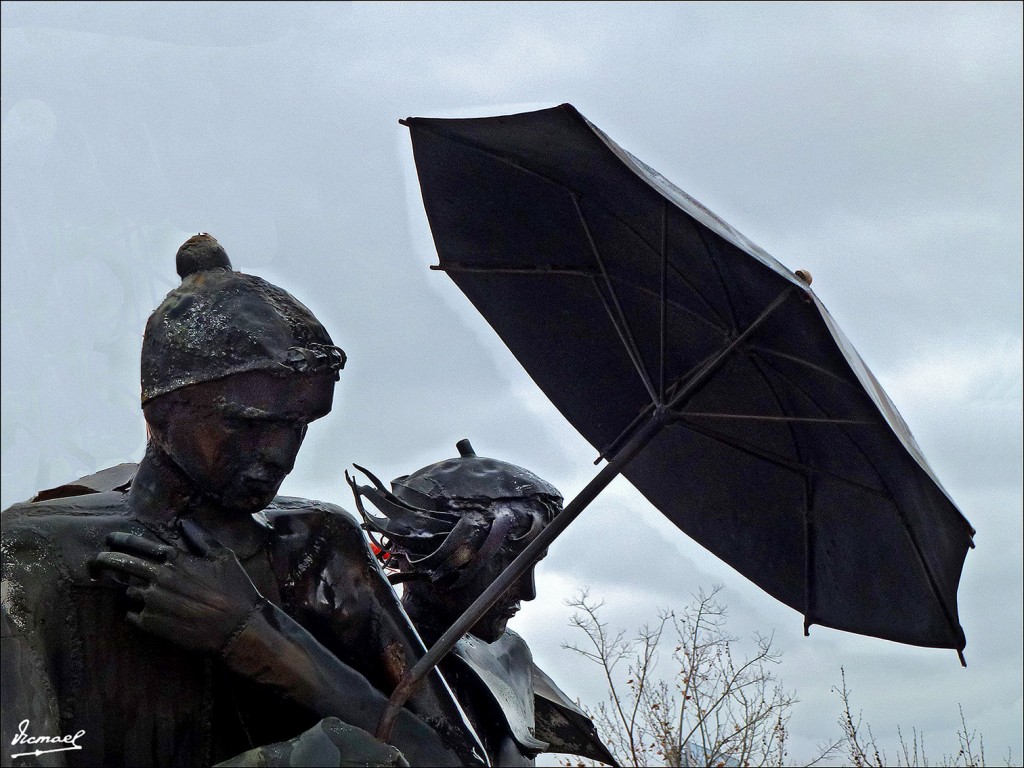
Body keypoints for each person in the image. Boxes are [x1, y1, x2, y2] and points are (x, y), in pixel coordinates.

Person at [0, 235, 483, 767]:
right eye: (246, 424)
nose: (278, 454)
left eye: (298, 425)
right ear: (162, 414)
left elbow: (458, 762)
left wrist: (259, 636)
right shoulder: (33, 558)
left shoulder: (322, 549)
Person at [350, 439, 617, 767]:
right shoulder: (354, 662)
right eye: (511, 563)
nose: (528, 591)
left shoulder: (511, 657)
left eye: (534, 564)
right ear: (445, 554)